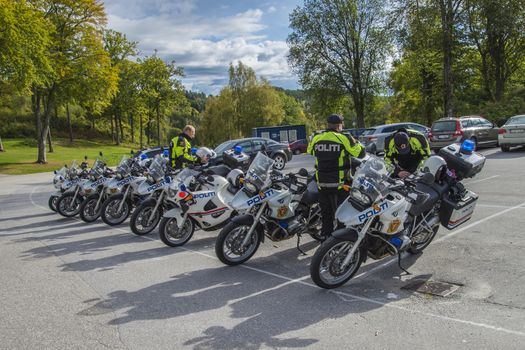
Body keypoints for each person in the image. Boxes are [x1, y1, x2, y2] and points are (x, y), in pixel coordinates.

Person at [307, 114, 364, 239]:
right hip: (341, 185)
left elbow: (310, 151)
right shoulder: (343, 138)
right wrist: (356, 141)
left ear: (328, 125)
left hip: (322, 184)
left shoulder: (317, 138)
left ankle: (325, 240)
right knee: (342, 215)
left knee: (326, 214)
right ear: (340, 125)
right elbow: (360, 153)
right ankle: (338, 241)